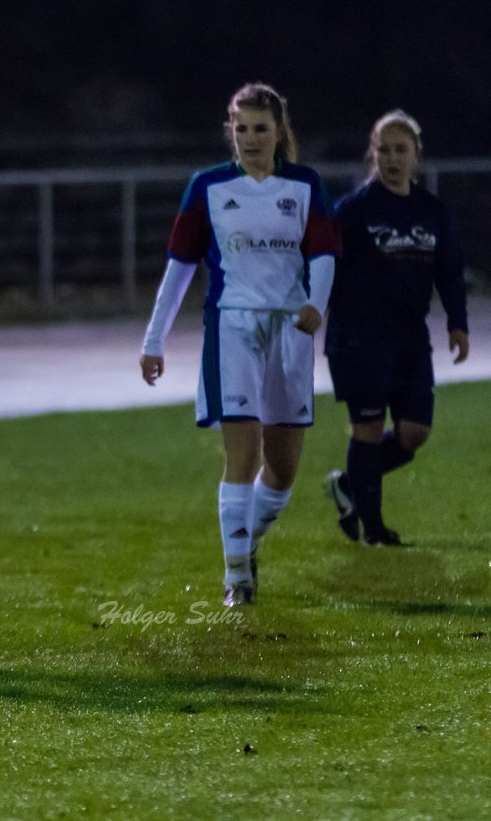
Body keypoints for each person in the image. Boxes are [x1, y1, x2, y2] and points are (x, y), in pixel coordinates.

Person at [139, 82, 340, 606]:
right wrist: (154, 339)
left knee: (284, 469)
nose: (250, 138)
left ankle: (246, 542)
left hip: (291, 333)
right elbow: (180, 268)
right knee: (243, 455)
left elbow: (323, 254)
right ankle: (238, 582)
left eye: (260, 128)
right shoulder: (206, 186)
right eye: (241, 128)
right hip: (232, 329)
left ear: (279, 132)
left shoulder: (305, 185)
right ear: (230, 131)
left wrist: (316, 302)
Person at [322, 110, 469, 547]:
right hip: (358, 337)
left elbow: (450, 271)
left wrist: (457, 324)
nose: (391, 158)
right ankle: (373, 530)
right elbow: (323, 265)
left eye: (400, 150)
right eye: (383, 149)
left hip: (409, 338)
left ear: (416, 155)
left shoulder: (432, 211)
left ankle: (348, 484)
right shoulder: (352, 212)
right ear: (372, 154)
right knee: (367, 429)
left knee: (414, 434)